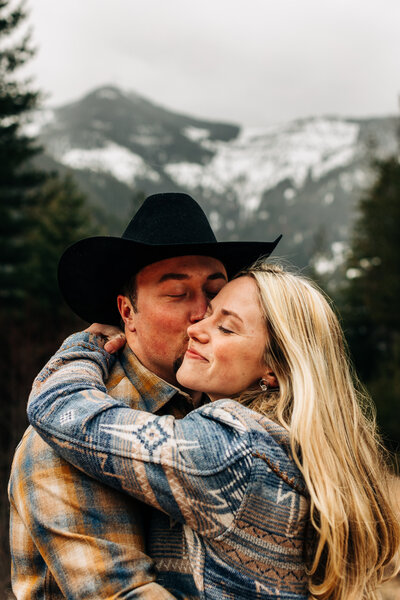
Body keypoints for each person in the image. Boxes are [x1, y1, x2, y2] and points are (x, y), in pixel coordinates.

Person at [27, 262, 400, 600]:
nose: (196, 327)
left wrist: (88, 343)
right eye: (205, 309)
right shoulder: (291, 443)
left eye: (225, 326)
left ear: (274, 369)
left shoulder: (234, 449)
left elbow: (60, 409)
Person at [8, 192, 280, 599]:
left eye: (215, 293)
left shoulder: (241, 411)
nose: (201, 313)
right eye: (177, 293)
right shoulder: (64, 438)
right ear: (127, 312)